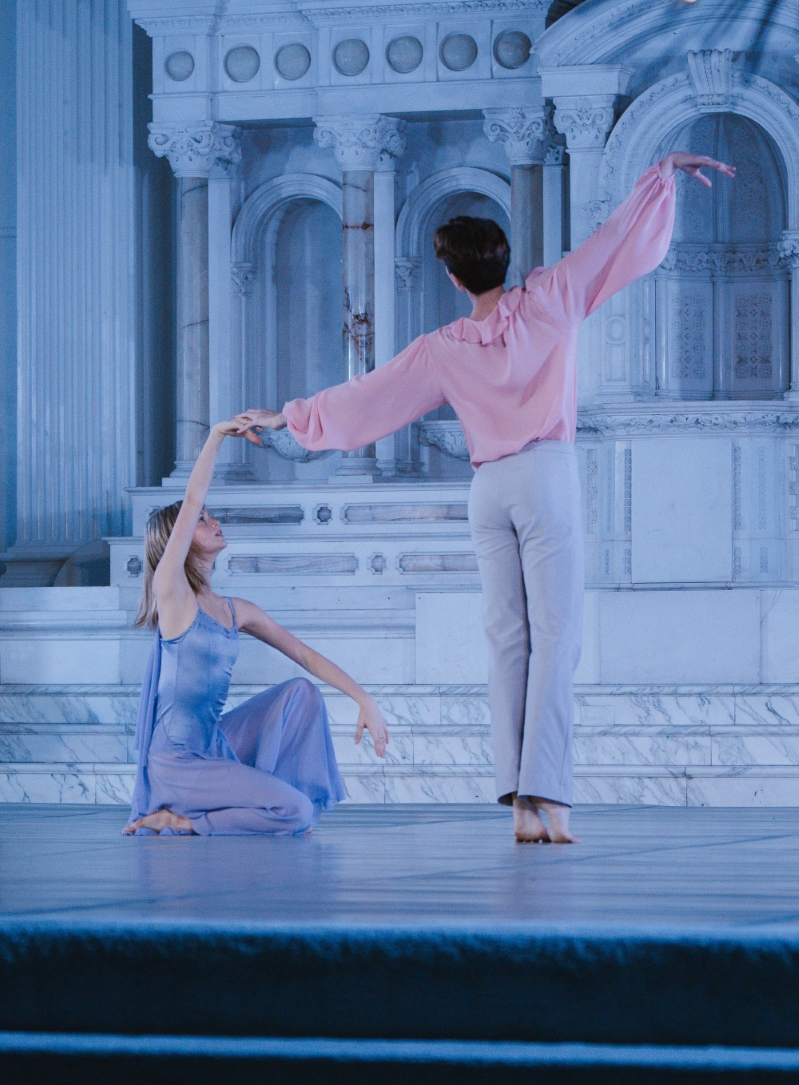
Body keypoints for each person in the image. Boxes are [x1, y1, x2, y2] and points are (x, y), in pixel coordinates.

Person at [235, 152, 735, 844]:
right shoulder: (552, 297)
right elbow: (613, 244)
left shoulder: (443, 346)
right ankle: (549, 799)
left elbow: (366, 397)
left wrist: (288, 416)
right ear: (504, 260)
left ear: (450, 276)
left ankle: (519, 804)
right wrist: (659, 179)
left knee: (506, 641)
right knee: (554, 639)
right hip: (545, 476)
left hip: (488, 489)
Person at [123, 419, 389, 836]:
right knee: (297, 813)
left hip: (214, 746)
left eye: (212, 517)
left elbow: (303, 655)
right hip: (177, 762)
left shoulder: (235, 610)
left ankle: (268, 795)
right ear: (184, 537)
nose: (215, 522)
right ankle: (185, 821)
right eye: (205, 521)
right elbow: (192, 500)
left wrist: (364, 698)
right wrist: (216, 437)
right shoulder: (173, 597)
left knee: (301, 693)